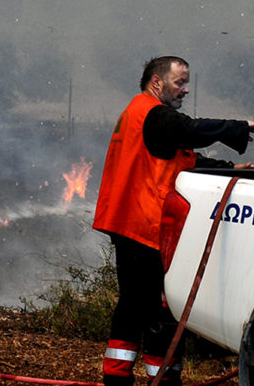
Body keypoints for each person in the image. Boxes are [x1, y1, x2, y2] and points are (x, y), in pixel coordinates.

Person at [92, 56, 254, 386]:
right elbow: (190, 130)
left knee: (135, 305)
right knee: (157, 311)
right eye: (180, 82)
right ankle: (160, 379)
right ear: (157, 82)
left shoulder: (140, 115)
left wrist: (228, 169)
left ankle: (120, 376)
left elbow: (181, 157)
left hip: (131, 223)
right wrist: (242, 127)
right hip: (143, 226)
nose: (185, 89)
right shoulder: (154, 114)